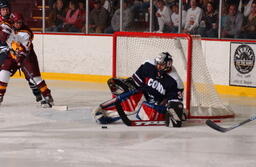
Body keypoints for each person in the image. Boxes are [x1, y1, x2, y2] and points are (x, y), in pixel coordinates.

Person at [93, 52, 186, 127]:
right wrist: (126, 89)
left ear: (168, 65)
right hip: (144, 93)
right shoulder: (149, 65)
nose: (158, 67)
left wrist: (174, 111)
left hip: (157, 103)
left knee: (146, 114)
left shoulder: (175, 81)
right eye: (157, 64)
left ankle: (180, 113)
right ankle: (105, 113)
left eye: (161, 65)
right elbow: (134, 82)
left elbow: (175, 102)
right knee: (130, 99)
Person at [0, 12, 54, 107]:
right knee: (4, 71)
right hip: (12, 54)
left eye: (20, 22)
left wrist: (20, 57)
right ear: (12, 22)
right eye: (16, 22)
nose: (18, 24)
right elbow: (3, 32)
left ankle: (47, 95)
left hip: (27, 56)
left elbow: (24, 50)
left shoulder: (26, 33)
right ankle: (0, 95)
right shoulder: (8, 25)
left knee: (34, 78)